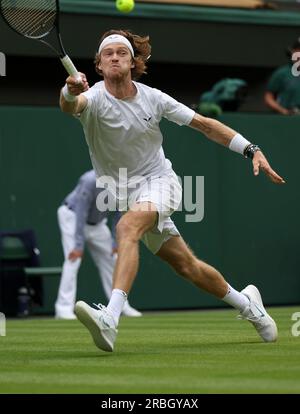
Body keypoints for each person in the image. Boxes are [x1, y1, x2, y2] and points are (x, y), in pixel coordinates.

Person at [59, 29, 285, 352]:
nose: (114, 57)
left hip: (160, 183)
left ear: (132, 61)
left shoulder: (153, 98)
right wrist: (69, 92)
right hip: (127, 195)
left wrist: (252, 149)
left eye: (120, 53)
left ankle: (110, 318)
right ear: (98, 64)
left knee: (126, 227)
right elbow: (70, 106)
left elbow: (206, 125)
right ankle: (250, 306)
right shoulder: (91, 98)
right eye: (107, 53)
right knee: (187, 266)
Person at [55, 169, 142, 320]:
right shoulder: (89, 180)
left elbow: (119, 213)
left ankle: (120, 306)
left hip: (97, 224)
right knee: (73, 260)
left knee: (112, 260)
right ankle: (63, 308)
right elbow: (81, 213)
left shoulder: (122, 184)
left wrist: (116, 242)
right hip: (72, 216)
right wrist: (78, 246)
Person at [264, 37, 300, 115]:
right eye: (298, 50)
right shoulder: (282, 73)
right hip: (287, 117)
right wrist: (283, 111)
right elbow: (268, 97)